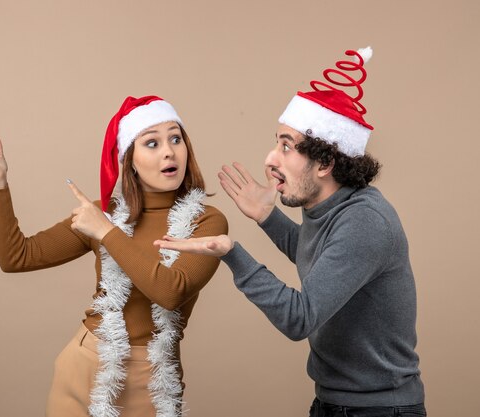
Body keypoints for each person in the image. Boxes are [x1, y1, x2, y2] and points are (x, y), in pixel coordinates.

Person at [155, 48, 427, 416]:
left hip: (378, 410)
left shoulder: (364, 221)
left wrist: (231, 253)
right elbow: (323, 261)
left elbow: (300, 317)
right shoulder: (334, 207)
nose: (270, 159)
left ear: (325, 162)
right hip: (336, 402)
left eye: (286, 146)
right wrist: (268, 217)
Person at [0, 95, 228, 417]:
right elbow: (17, 257)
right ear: (129, 158)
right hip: (83, 364)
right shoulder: (108, 215)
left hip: (151, 380)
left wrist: (106, 233)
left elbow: (171, 292)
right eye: (152, 143)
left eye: (175, 138)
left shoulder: (206, 221)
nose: (169, 151)